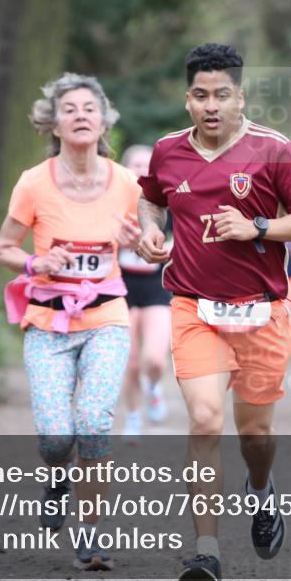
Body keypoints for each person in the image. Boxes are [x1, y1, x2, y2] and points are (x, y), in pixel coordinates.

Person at [136, 43, 291, 581]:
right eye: (200, 95)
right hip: (193, 306)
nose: (211, 105)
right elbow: (151, 199)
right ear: (187, 99)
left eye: (223, 95)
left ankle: (261, 489)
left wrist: (259, 229)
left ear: (241, 97)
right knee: (202, 418)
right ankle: (207, 553)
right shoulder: (168, 152)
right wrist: (153, 231)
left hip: (263, 312)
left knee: (256, 434)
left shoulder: (274, 151)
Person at [0, 73, 141, 571]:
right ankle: (57, 476)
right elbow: (3, 248)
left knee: (94, 425)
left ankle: (91, 535)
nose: (80, 115)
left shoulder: (125, 182)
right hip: (48, 326)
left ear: (103, 122)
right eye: (70, 108)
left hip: (106, 319)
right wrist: (36, 264)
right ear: (53, 123)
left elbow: (153, 245)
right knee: (57, 437)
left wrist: (142, 243)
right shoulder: (34, 183)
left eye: (89, 108)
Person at [118, 145, 172, 441]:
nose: (140, 169)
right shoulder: (113, 203)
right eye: (135, 163)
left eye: (146, 164)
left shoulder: (164, 202)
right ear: (125, 168)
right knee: (131, 361)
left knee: (154, 360)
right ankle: (134, 419)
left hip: (155, 287)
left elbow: (182, 241)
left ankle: (153, 387)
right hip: (121, 286)